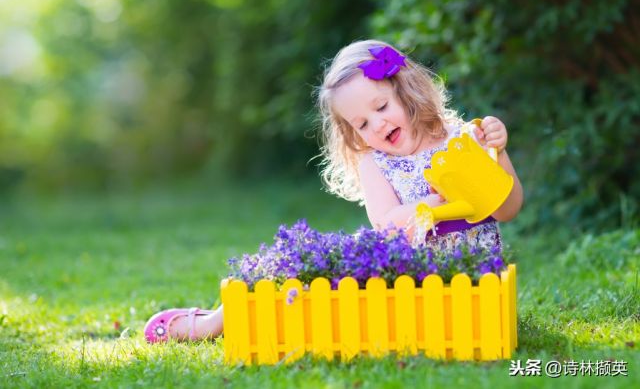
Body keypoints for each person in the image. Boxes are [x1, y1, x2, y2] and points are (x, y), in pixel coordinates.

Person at [143, 39, 523, 343]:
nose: (377, 124)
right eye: (361, 123)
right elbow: (388, 225)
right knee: (301, 269)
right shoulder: (377, 163)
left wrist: (498, 154)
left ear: (406, 91)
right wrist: (433, 201)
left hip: (472, 280)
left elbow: (507, 208)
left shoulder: (460, 141)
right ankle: (219, 320)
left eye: (381, 106)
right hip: (402, 276)